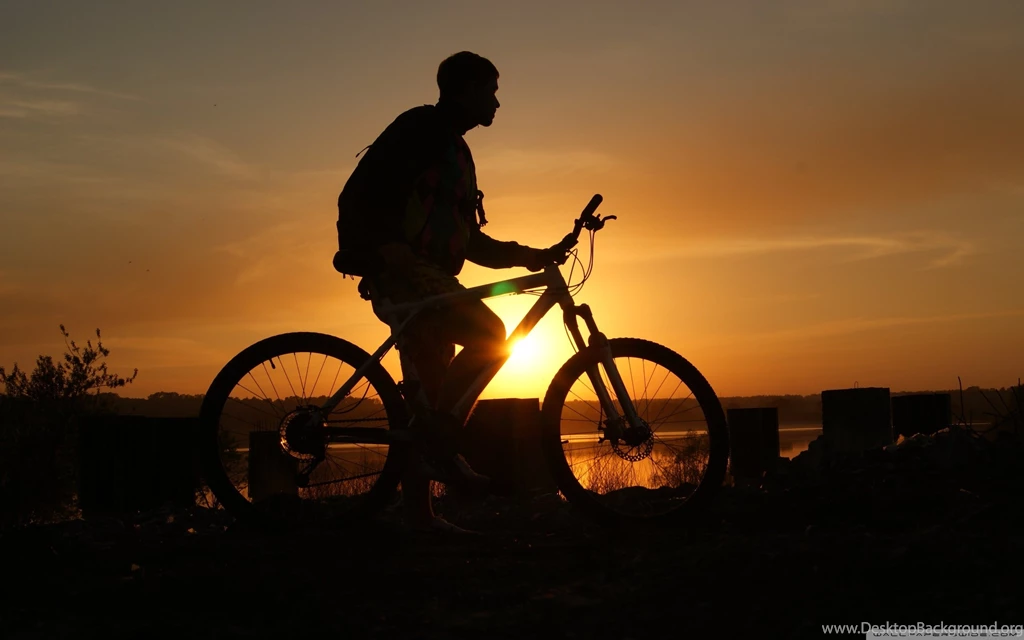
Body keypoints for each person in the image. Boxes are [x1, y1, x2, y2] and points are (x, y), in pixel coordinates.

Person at [335, 51, 569, 533]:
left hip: (431, 276)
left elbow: (470, 239)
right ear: (465, 89)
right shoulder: (421, 130)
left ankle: (421, 512)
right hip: (406, 270)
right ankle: (444, 445)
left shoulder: (456, 151)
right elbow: (359, 191)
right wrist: (382, 249)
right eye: (492, 90)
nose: (498, 102)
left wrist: (529, 254)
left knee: (428, 390)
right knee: (491, 332)